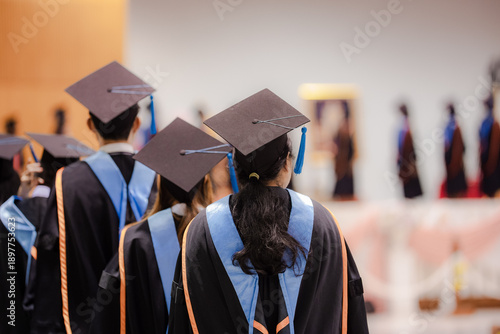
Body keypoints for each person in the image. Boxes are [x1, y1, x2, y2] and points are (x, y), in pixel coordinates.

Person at [168, 89, 369, 334]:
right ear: (287, 164)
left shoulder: (201, 230)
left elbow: (182, 316)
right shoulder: (324, 224)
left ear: (234, 166)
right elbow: (352, 308)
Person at [31, 61, 158, 334]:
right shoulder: (158, 180)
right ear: (137, 123)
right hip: (148, 320)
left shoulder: (68, 181)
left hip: (87, 321)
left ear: (90, 125)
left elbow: (52, 263)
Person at [90, 117, 232, 333]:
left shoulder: (135, 239)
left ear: (160, 183)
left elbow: (109, 308)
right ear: (205, 182)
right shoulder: (223, 233)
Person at [0, 133, 93, 334]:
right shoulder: (78, 216)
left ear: (40, 171)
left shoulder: (11, 214)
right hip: (66, 320)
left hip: (14, 319)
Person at [397, 103, 423, 198]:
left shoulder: (404, 127)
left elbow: (403, 145)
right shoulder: (407, 125)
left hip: (406, 158)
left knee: (409, 183)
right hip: (408, 158)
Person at [443, 104, 468, 197]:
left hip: (455, 162)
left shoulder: (455, 127)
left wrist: (455, 162)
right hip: (450, 161)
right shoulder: (449, 126)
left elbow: (460, 147)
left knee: (457, 185)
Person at [333, 100, 356, 200]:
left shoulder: (345, 128)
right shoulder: (343, 128)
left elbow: (348, 148)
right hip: (343, 161)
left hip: (345, 161)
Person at [479, 95, 500, 197]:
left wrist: (491, 163)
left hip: (493, 164)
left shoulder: (494, 125)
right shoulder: (484, 124)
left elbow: (495, 147)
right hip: (485, 162)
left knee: (494, 186)